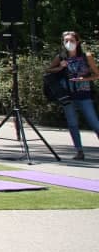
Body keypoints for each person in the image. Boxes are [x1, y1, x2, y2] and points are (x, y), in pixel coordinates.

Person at [47, 31, 99, 160]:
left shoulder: (86, 56)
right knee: (72, 123)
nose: (68, 43)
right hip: (67, 96)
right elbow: (48, 70)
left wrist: (84, 79)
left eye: (71, 40)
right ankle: (79, 151)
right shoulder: (60, 57)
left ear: (78, 42)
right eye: (66, 41)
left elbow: (97, 74)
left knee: (94, 123)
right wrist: (59, 67)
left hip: (84, 94)